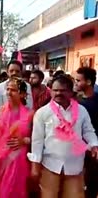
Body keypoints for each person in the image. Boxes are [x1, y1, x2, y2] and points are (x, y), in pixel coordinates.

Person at [28, 74, 98, 198]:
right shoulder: (42, 112)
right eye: (55, 90)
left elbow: (88, 131)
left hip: (75, 166)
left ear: (71, 92)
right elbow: (37, 141)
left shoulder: (81, 111)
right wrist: (35, 166)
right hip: (50, 165)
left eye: (63, 90)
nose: (58, 93)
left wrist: (94, 144)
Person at [0, 77, 33, 198]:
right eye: (8, 89)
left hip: (18, 160)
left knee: (16, 191)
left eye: (14, 90)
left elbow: (38, 138)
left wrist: (24, 141)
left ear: (22, 94)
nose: (9, 93)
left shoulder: (31, 114)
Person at [74, 67, 98, 198]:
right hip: (77, 150)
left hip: (93, 151)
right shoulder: (75, 101)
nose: (75, 83)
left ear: (88, 82)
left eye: (78, 80)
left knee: (91, 185)